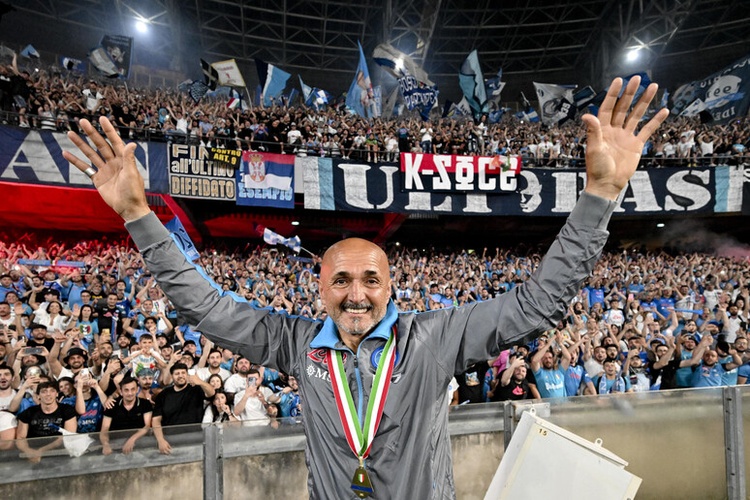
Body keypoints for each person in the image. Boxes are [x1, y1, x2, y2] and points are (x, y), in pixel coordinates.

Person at [63, 77, 667, 499]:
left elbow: (538, 303)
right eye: (342, 280)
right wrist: (138, 214)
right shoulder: (296, 344)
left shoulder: (436, 338)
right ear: (320, 289)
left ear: (390, 286)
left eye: (371, 279)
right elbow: (205, 307)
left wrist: (600, 196)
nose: (357, 294)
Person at [100, 376, 153, 455]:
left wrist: (132, 440)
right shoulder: (111, 405)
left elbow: (147, 426)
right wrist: (105, 444)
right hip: (115, 443)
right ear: (121, 391)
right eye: (126, 390)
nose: (130, 393)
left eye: (133, 389)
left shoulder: (145, 404)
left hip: (139, 442)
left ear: (137, 390)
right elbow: (104, 428)